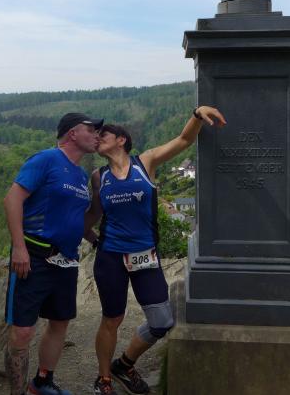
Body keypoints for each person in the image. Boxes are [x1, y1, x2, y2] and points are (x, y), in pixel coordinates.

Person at [85, 106, 226, 395]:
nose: (98, 138)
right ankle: (104, 379)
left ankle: (124, 365)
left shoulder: (145, 162)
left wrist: (197, 114)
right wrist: (86, 236)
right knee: (112, 319)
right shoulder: (98, 176)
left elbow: (183, 140)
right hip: (110, 257)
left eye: (104, 134)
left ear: (121, 139)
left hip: (144, 256)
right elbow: (93, 214)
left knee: (161, 322)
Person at [3, 112, 103, 395]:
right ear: (73, 133)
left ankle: (42, 383)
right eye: (91, 129)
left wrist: (95, 232)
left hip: (67, 259)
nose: (96, 135)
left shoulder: (80, 175)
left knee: (59, 323)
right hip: (34, 256)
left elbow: (77, 220)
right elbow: (12, 200)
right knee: (23, 330)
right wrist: (19, 247)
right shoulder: (46, 159)